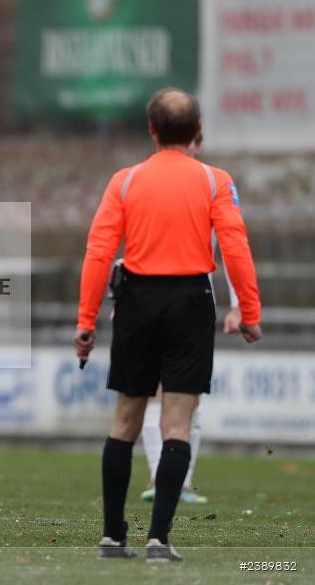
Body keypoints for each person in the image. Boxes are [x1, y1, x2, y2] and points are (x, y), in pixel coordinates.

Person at [74, 88, 262, 561]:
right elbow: (235, 246)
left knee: (125, 419)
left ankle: (113, 536)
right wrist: (249, 312)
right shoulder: (215, 180)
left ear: (152, 130)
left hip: (137, 299)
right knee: (177, 421)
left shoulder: (125, 181)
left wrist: (86, 321)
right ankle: (159, 538)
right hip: (190, 301)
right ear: (198, 131)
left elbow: (99, 251)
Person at [138, 131, 242, 505]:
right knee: (162, 389)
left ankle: (178, 481)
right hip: (164, 297)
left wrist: (240, 304)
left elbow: (231, 245)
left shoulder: (212, 183)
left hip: (187, 299)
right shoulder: (149, 179)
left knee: (187, 394)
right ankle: (161, 477)